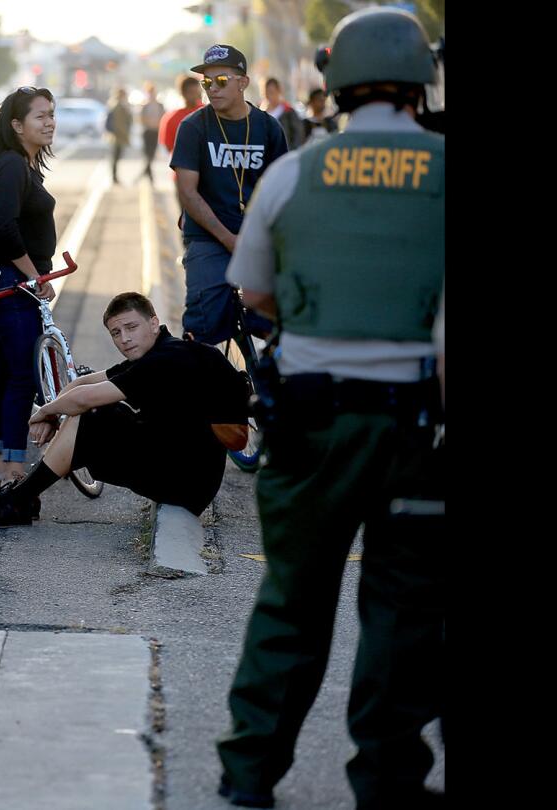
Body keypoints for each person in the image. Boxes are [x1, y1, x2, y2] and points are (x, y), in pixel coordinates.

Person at [214, 8, 445, 808]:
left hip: (310, 421)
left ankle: (248, 777)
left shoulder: (292, 172)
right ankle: (386, 780)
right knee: (403, 609)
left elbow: (252, 291)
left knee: (293, 599)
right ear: (422, 77)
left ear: (333, 78)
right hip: (414, 425)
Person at [0, 293, 249, 527]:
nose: (124, 338)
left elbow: (86, 397)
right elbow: (87, 381)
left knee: (92, 414)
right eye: (116, 332)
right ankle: (24, 497)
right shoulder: (160, 352)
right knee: (93, 412)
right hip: (179, 465)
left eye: (131, 327)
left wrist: (47, 412)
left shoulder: (167, 360)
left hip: (186, 481)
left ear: (153, 323)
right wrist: (56, 411)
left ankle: (21, 499)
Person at [170, 44, 288, 346]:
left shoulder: (268, 128)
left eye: (221, 81)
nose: (212, 89)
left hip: (257, 237)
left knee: (277, 321)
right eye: (206, 82)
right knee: (203, 323)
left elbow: (281, 192)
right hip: (209, 237)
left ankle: (268, 383)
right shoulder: (193, 127)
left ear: (243, 83)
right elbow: (188, 192)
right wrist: (228, 239)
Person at [0, 86, 59, 487]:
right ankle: (10, 465)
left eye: (51, 114)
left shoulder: (19, 163)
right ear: (16, 125)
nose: (49, 122)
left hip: (11, 282)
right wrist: (34, 275)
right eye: (40, 116)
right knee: (22, 372)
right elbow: (3, 229)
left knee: (4, 369)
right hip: (13, 282)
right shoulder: (10, 165)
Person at [159, 76, 204, 156]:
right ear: (183, 93)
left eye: (197, 92)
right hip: (182, 163)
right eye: (191, 92)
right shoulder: (171, 118)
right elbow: (168, 146)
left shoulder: (210, 113)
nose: (195, 96)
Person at [263, 77, 305, 150]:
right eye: (267, 93)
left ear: (279, 91)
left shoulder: (289, 112)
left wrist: (291, 151)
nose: (269, 96)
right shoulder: (262, 113)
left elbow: (298, 135)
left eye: (272, 92)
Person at [105, 86, 133, 184]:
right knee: (115, 157)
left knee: (116, 157)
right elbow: (115, 122)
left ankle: (114, 176)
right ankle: (114, 177)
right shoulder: (117, 106)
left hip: (118, 135)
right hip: (117, 135)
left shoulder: (118, 105)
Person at [138, 81, 166, 182]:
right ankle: (149, 175)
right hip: (147, 131)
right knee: (147, 153)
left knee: (152, 153)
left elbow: (164, 117)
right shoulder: (144, 105)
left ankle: (145, 173)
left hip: (156, 131)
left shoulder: (160, 105)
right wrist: (149, 122)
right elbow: (141, 118)